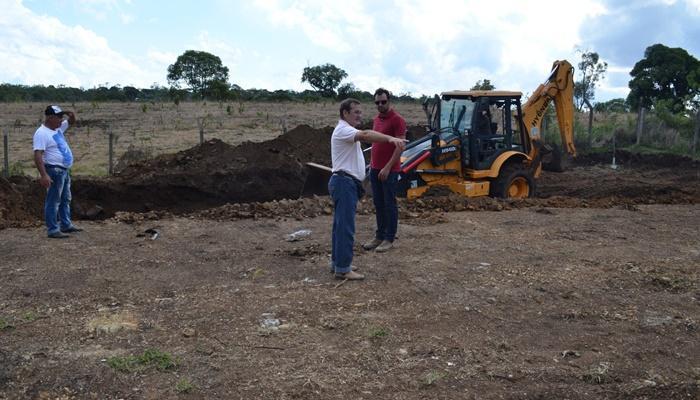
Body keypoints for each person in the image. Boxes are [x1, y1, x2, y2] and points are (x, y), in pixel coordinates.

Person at [329, 98, 406, 280]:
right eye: (356, 112)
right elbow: (365, 135)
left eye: (360, 112)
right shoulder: (344, 130)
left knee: (340, 226)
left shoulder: (345, 130)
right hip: (344, 183)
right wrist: (390, 138)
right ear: (345, 113)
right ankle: (343, 269)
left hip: (345, 182)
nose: (359, 115)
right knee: (346, 227)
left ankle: (338, 263)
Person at [362, 88, 406, 253]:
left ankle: (389, 238)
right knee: (378, 203)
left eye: (383, 101)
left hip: (390, 170)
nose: (380, 105)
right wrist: (372, 164)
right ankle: (379, 236)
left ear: (389, 101)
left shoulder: (397, 120)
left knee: (389, 204)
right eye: (377, 102)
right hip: (375, 168)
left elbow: (400, 146)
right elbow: (375, 143)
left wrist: (387, 167)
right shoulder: (377, 120)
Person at [33, 105, 82, 239]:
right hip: (54, 170)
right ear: (49, 118)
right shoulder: (41, 133)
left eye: (61, 117)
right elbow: (38, 155)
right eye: (58, 117)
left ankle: (66, 224)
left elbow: (71, 120)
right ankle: (53, 229)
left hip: (64, 171)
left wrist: (65, 112)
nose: (61, 120)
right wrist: (44, 175)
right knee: (53, 200)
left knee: (65, 199)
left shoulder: (57, 128)